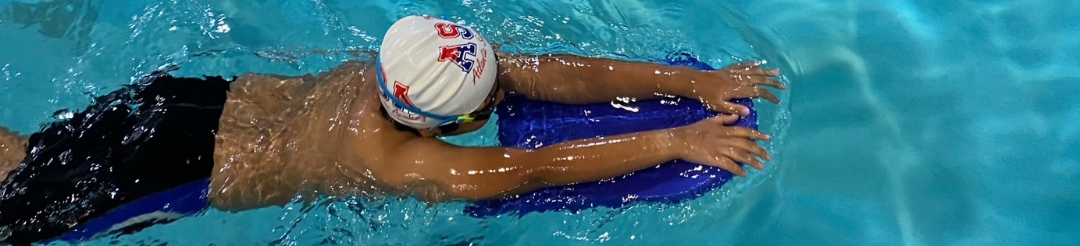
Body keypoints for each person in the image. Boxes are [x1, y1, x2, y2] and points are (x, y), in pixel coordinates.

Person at [0, 15, 784, 244]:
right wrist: (677, 139)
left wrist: (696, 84)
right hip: (170, 172)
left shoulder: (400, 64)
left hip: (191, 102)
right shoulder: (403, 162)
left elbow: (551, 72)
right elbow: (534, 169)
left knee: (28, 152)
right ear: (455, 117)